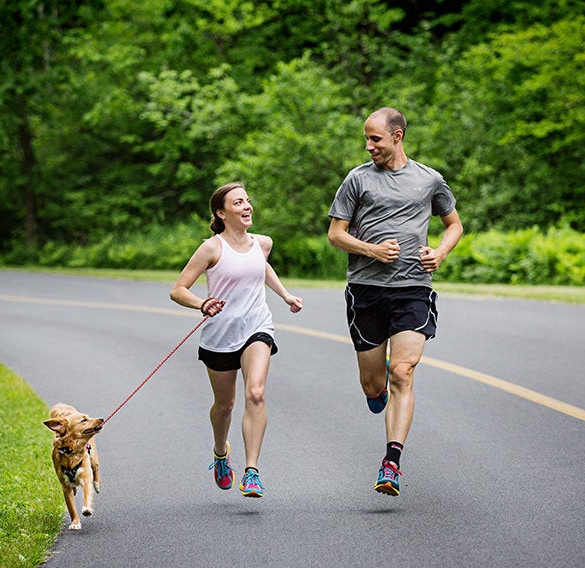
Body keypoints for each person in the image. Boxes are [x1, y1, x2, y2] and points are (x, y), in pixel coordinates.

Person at [327, 107, 464, 497]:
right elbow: (335, 234)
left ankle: (392, 462)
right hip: (366, 290)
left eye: (376, 139)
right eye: (367, 140)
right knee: (374, 385)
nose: (369, 146)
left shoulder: (428, 180)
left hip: (413, 288)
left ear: (398, 136)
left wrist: (440, 253)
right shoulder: (357, 180)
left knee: (403, 371)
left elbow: (453, 224)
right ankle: (377, 391)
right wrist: (370, 249)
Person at [171, 182, 303, 498]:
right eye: (238, 202)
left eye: (247, 201)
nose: (247, 207)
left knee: (255, 392)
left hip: (257, 327)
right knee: (225, 405)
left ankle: (252, 471)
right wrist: (201, 304)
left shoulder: (263, 243)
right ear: (221, 212)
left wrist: (285, 295)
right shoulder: (211, 248)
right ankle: (220, 452)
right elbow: (178, 290)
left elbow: (262, 267)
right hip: (219, 335)